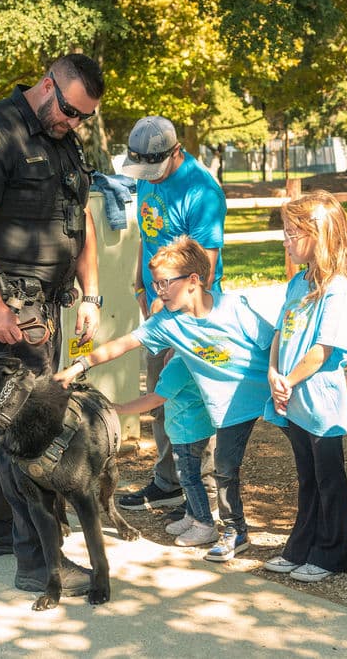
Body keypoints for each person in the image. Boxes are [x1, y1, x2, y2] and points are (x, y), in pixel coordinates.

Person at [0, 53, 105, 598]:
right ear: (47, 85)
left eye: (83, 116)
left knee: (8, 420)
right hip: (7, 306)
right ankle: (39, 562)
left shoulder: (64, 139)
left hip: (46, 304)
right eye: (69, 110)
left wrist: (92, 293)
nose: (74, 122)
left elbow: (81, 217)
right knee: (29, 426)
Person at [55, 237, 274, 564]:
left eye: (165, 283)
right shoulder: (167, 322)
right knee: (226, 468)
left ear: (193, 281)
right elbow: (123, 344)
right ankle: (234, 530)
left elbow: (273, 341)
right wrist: (79, 366)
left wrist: (285, 379)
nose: (158, 291)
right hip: (230, 409)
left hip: (269, 393)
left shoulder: (233, 308)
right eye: (155, 283)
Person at [116, 115, 227, 517]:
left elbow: (204, 268)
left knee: (192, 403)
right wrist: (140, 284)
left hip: (189, 316)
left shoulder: (202, 191)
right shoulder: (149, 177)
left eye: (155, 169)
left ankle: (203, 494)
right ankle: (169, 482)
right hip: (157, 307)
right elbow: (147, 236)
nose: (149, 177)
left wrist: (174, 318)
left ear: (175, 151)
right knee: (162, 399)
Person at [261, 192, 347, 583]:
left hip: (320, 403)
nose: (285, 240)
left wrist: (287, 380)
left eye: (292, 232)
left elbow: (324, 349)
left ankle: (333, 553)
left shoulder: (337, 289)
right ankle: (302, 546)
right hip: (293, 400)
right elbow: (279, 332)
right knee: (307, 478)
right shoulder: (297, 283)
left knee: (328, 480)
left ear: (320, 234)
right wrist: (274, 372)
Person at [114, 355, 219, 547]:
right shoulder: (196, 358)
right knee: (190, 478)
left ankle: (204, 525)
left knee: (189, 479)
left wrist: (119, 409)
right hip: (198, 428)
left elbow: (155, 399)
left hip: (186, 433)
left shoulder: (179, 364)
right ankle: (192, 516)